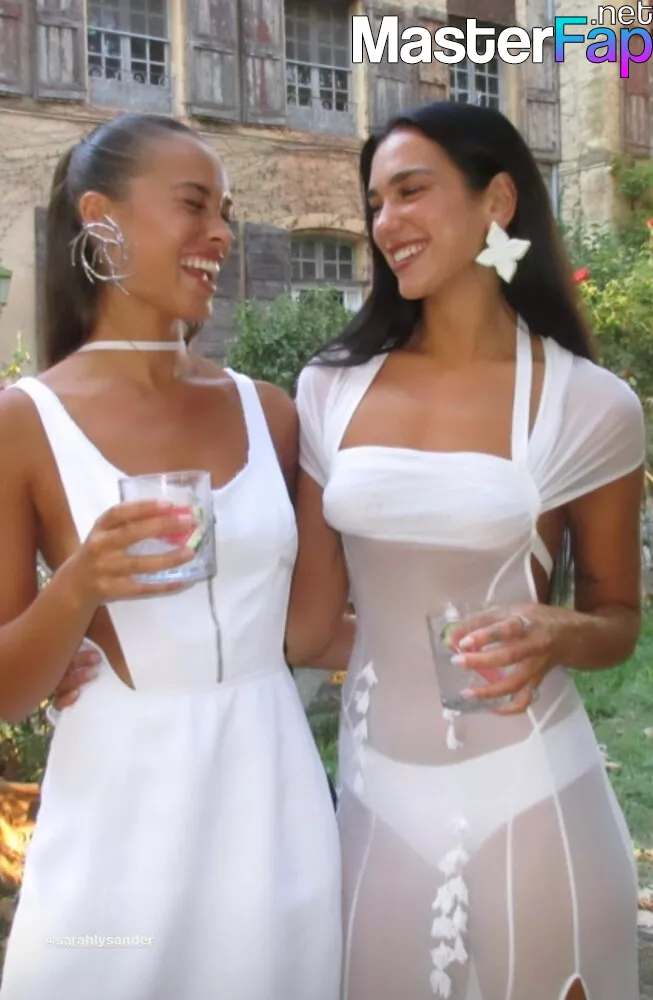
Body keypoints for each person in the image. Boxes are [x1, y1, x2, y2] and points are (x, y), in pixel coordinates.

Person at [283, 102, 644, 1000]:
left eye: (410, 191)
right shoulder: (327, 391)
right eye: (374, 202)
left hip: (534, 794)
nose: (385, 223)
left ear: (498, 201)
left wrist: (556, 631)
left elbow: (614, 620)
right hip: (374, 804)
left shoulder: (587, 404)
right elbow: (307, 631)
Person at [0, 113, 342, 1000]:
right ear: (101, 219)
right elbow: (7, 690)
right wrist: (78, 587)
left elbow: (312, 630)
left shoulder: (272, 413)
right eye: (194, 205)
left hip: (274, 799)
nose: (220, 233)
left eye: (225, 211)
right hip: (117, 815)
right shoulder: (23, 423)